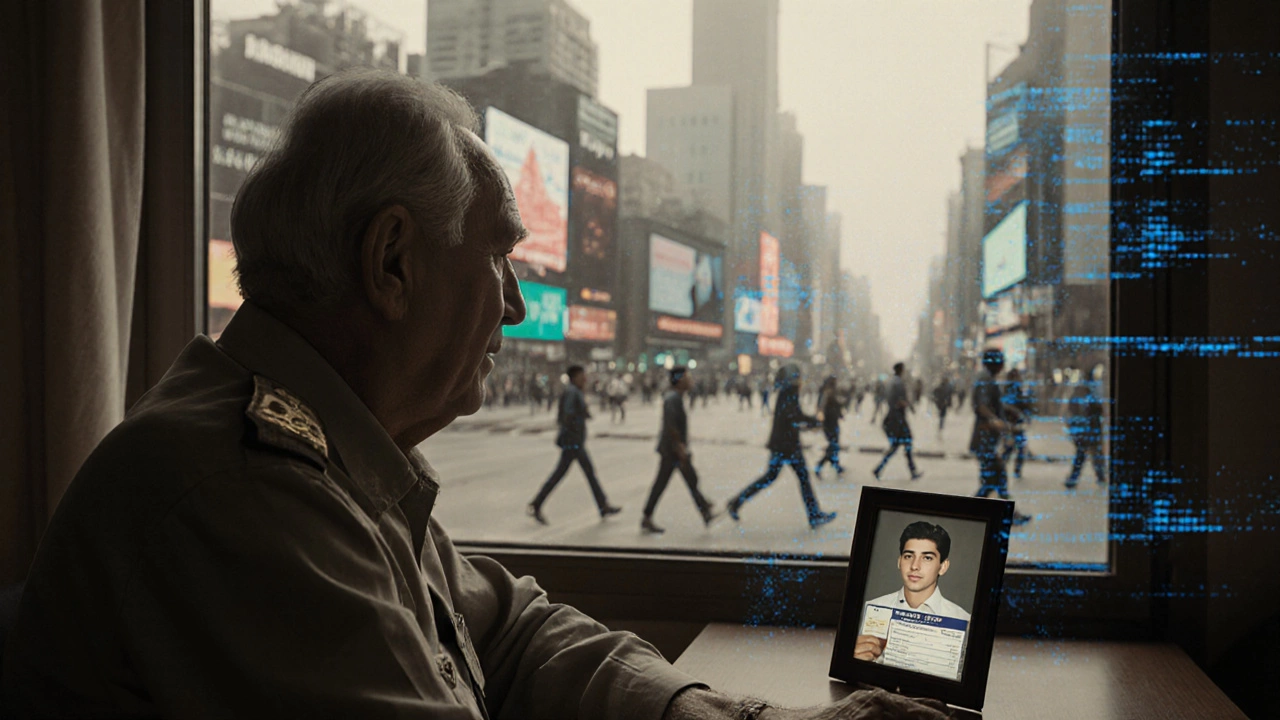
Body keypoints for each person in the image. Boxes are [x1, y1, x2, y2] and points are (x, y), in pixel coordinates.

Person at [726, 365, 837, 529]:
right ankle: (814, 515)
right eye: (798, 376)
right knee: (800, 479)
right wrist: (813, 421)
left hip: (782, 444)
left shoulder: (786, 392)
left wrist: (808, 423)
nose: (801, 380)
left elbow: (791, 418)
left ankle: (736, 502)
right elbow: (793, 416)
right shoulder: (790, 392)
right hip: (787, 446)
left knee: (772, 477)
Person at [854, 522, 970, 669]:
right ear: (899, 562)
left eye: (927, 558)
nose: (915, 566)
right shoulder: (870, 609)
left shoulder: (964, 621)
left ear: (943, 567)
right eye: (908, 556)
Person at [528, 365, 623, 524]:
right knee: (572, 473)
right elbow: (568, 415)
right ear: (575, 377)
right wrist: (579, 419)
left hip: (574, 442)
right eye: (582, 376)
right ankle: (537, 504)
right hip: (573, 443)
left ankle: (602, 505)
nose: (585, 379)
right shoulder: (573, 392)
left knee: (578, 473)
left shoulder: (573, 391)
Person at [640, 367, 719, 534]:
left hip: (673, 448)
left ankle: (705, 510)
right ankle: (704, 510)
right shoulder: (672, 399)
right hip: (672, 450)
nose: (691, 381)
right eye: (688, 377)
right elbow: (670, 425)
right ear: (680, 380)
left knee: (690, 479)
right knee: (667, 482)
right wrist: (680, 447)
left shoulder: (676, 397)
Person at [970, 349, 1032, 524]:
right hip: (984, 439)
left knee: (993, 480)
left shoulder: (988, 379)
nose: (1003, 364)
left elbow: (994, 404)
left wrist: (1009, 413)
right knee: (997, 477)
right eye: (1001, 361)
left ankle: (972, 511)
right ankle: (1008, 514)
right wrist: (995, 420)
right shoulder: (985, 380)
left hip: (986, 440)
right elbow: (982, 406)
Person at [873, 363, 923, 481]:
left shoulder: (891, 382)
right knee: (906, 443)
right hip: (898, 418)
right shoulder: (899, 383)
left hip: (893, 417)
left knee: (897, 445)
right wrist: (909, 406)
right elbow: (900, 401)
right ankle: (912, 471)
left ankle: (879, 469)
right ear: (901, 370)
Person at [1065, 374, 1107, 488]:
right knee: (1093, 455)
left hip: (1084, 432)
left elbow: (1071, 415)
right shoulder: (1092, 397)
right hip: (1090, 432)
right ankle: (1100, 477)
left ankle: (1074, 479)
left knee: (1082, 456)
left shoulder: (1077, 397)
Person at [1000, 368, 1032, 479]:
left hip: (1013, 424)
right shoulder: (1012, 390)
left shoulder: (1014, 389)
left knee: (1012, 448)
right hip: (1012, 424)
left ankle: (1006, 468)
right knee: (1014, 448)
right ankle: (1012, 469)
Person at [813, 375, 846, 478]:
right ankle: (820, 466)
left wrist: (839, 413)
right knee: (833, 446)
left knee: (834, 445)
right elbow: (823, 408)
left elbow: (834, 407)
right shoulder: (827, 394)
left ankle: (836, 465)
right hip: (830, 424)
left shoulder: (830, 393)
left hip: (831, 423)